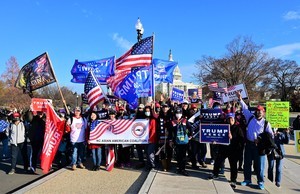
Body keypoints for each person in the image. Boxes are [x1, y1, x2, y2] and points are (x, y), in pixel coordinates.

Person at [236, 91, 274, 190]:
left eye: (260, 111)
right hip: (249, 144)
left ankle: (260, 181)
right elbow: (244, 108)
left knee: (260, 166)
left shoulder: (266, 123)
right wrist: (240, 99)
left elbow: (270, 136)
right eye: (257, 111)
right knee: (247, 163)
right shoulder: (250, 117)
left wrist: (260, 140)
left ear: (263, 112)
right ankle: (247, 179)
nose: (258, 112)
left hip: (260, 147)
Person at [208, 113, 244, 189]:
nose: (231, 121)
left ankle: (233, 180)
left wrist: (232, 138)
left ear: (234, 120)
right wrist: (215, 141)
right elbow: (217, 136)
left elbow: (241, 140)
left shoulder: (238, 129)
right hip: (223, 148)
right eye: (229, 119)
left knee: (233, 166)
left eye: (232, 119)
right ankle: (215, 174)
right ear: (226, 120)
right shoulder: (223, 127)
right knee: (218, 161)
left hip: (233, 150)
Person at [168, 108, 192, 176]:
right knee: (178, 156)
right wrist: (170, 140)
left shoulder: (185, 120)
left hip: (184, 141)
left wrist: (190, 135)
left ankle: (183, 169)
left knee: (184, 156)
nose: (178, 114)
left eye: (180, 113)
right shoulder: (172, 122)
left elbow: (190, 128)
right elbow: (170, 132)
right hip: (176, 141)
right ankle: (179, 168)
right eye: (177, 113)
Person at [157, 103, 173, 171]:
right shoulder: (159, 116)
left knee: (169, 150)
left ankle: (168, 165)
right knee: (162, 151)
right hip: (161, 136)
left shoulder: (171, 116)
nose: (165, 108)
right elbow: (157, 127)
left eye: (166, 107)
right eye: (163, 107)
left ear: (168, 108)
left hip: (169, 136)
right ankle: (164, 166)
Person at [144, 105, 157, 170]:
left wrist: (151, 139)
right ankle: (148, 165)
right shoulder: (143, 120)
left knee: (150, 153)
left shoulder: (153, 120)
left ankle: (153, 165)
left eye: (148, 111)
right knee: (146, 153)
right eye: (146, 111)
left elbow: (153, 130)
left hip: (151, 139)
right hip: (144, 139)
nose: (147, 112)